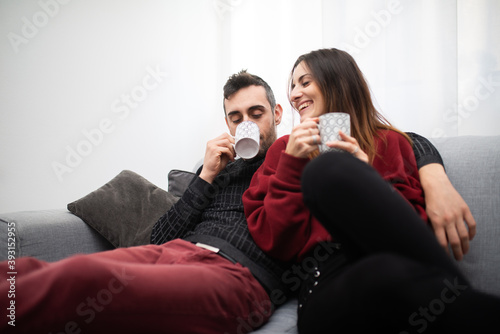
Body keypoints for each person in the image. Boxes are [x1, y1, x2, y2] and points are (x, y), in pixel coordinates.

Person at [0, 70, 474, 334]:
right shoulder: (220, 167)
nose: (245, 122)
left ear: (278, 114)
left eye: (256, 112)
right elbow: (162, 238)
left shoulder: (300, 150)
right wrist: (206, 176)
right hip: (176, 254)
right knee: (27, 270)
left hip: (241, 276)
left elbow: (389, 139)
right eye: (235, 116)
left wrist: (432, 173)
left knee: (82, 276)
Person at [242, 48, 500, 334]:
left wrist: (366, 178)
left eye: (305, 82)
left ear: (336, 81)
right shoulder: (284, 149)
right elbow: (276, 241)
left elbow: (415, 227)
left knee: (387, 269)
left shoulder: (392, 142)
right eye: (292, 86)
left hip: (393, 259)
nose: (294, 94)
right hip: (327, 279)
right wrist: (291, 164)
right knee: (326, 175)